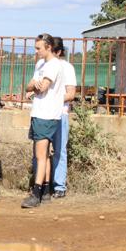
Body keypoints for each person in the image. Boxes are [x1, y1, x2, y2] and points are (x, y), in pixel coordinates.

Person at [21, 33, 64, 208]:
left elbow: (42, 88)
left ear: (48, 47)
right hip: (39, 113)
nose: (37, 51)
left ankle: (36, 192)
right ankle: (45, 190)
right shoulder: (41, 64)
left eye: (39, 48)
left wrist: (36, 85)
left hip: (47, 115)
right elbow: (30, 86)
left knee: (40, 155)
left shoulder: (54, 65)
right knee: (43, 154)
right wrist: (35, 85)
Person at [52, 37, 77, 198]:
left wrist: (52, 100)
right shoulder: (43, 66)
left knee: (59, 151)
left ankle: (59, 186)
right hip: (43, 115)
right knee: (39, 152)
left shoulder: (67, 68)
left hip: (60, 114)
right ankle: (43, 184)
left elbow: (71, 94)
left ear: (58, 52)